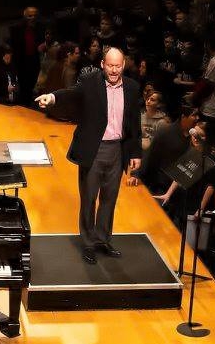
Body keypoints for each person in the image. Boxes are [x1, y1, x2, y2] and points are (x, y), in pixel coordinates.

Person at [36, 47, 143, 264]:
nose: (114, 70)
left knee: (109, 199)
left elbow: (134, 123)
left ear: (123, 65)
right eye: (110, 65)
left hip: (117, 150)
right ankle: (88, 243)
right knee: (89, 198)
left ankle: (103, 240)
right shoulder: (90, 82)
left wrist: (135, 152)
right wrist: (52, 97)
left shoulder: (132, 88)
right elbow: (71, 93)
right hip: (93, 149)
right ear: (103, 65)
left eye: (118, 66)